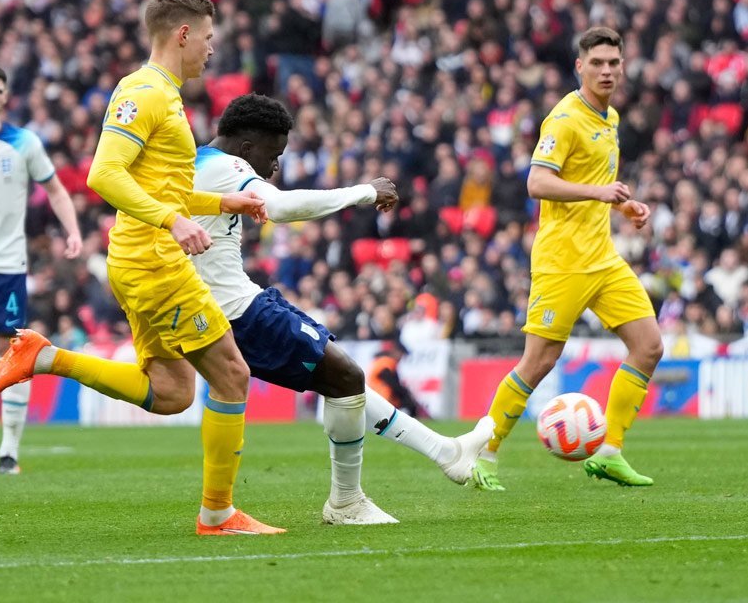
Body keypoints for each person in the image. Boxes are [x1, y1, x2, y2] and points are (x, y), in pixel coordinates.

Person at [0, 0, 280, 535]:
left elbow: (157, 186)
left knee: (172, 393)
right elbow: (103, 175)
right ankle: (217, 514)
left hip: (141, 258)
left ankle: (46, 359)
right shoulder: (143, 92)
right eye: (209, 38)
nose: (213, 51)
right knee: (233, 374)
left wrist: (218, 204)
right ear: (183, 35)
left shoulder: (165, 94)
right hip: (153, 260)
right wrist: (173, 223)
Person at [191, 94, 494, 524]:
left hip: (228, 303)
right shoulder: (229, 167)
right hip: (235, 310)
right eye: (273, 154)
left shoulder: (201, 162)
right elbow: (279, 207)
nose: (275, 165)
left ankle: (446, 452)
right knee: (346, 376)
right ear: (246, 146)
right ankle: (347, 503)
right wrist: (363, 192)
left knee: (341, 381)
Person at [471, 27, 664, 491]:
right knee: (538, 362)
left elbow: (596, 180)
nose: (606, 71)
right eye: (597, 62)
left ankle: (610, 453)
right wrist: (600, 193)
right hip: (562, 261)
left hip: (603, 257)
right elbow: (537, 183)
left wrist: (623, 205)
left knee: (649, 346)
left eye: (613, 63)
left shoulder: (611, 117)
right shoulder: (564, 119)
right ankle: (484, 455)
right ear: (580, 66)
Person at [0, 62, 83, 475]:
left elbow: (57, 191)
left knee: (10, 358)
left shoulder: (25, 143)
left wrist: (73, 232)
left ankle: (8, 451)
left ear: (6, 97)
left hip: (6, 266)